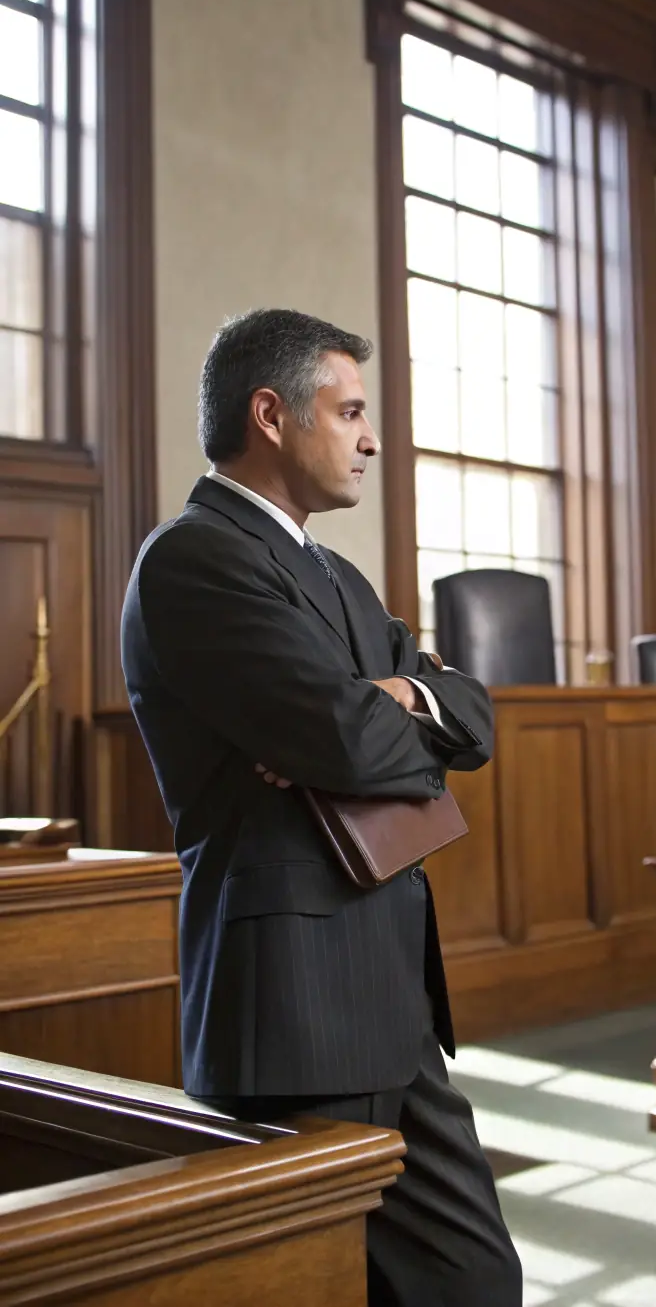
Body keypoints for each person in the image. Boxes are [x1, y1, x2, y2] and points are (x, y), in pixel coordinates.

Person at [121, 308, 521, 1306]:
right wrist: (365, 717)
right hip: (293, 998)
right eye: (349, 412)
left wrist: (401, 701)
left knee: (474, 1278)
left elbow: (471, 720)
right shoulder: (192, 559)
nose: (371, 439)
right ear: (271, 413)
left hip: (389, 992)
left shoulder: (332, 574)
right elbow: (338, 738)